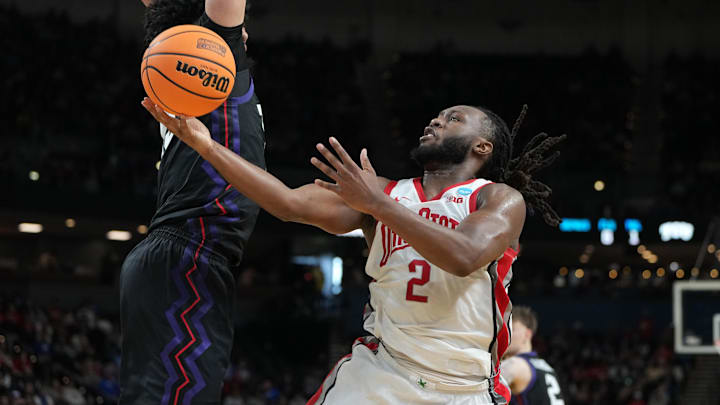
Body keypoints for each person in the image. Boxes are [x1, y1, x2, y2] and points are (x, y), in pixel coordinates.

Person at [141, 98, 564, 404]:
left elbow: (465, 255)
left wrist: (377, 205)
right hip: (381, 371)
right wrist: (206, 146)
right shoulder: (382, 193)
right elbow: (288, 204)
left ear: (482, 147)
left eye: (452, 119)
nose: (435, 121)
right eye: (435, 115)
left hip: (466, 388)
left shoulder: (499, 199)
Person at [119, 0, 265, 403]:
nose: (243, 28)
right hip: (190, 255)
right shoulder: (209, 58)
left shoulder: (192, 74)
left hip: (183, 257)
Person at [501, 306, 565, 405]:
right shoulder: (546, 367)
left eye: (511, 329)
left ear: (527, 334)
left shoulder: (514, 364)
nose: (505, 334)